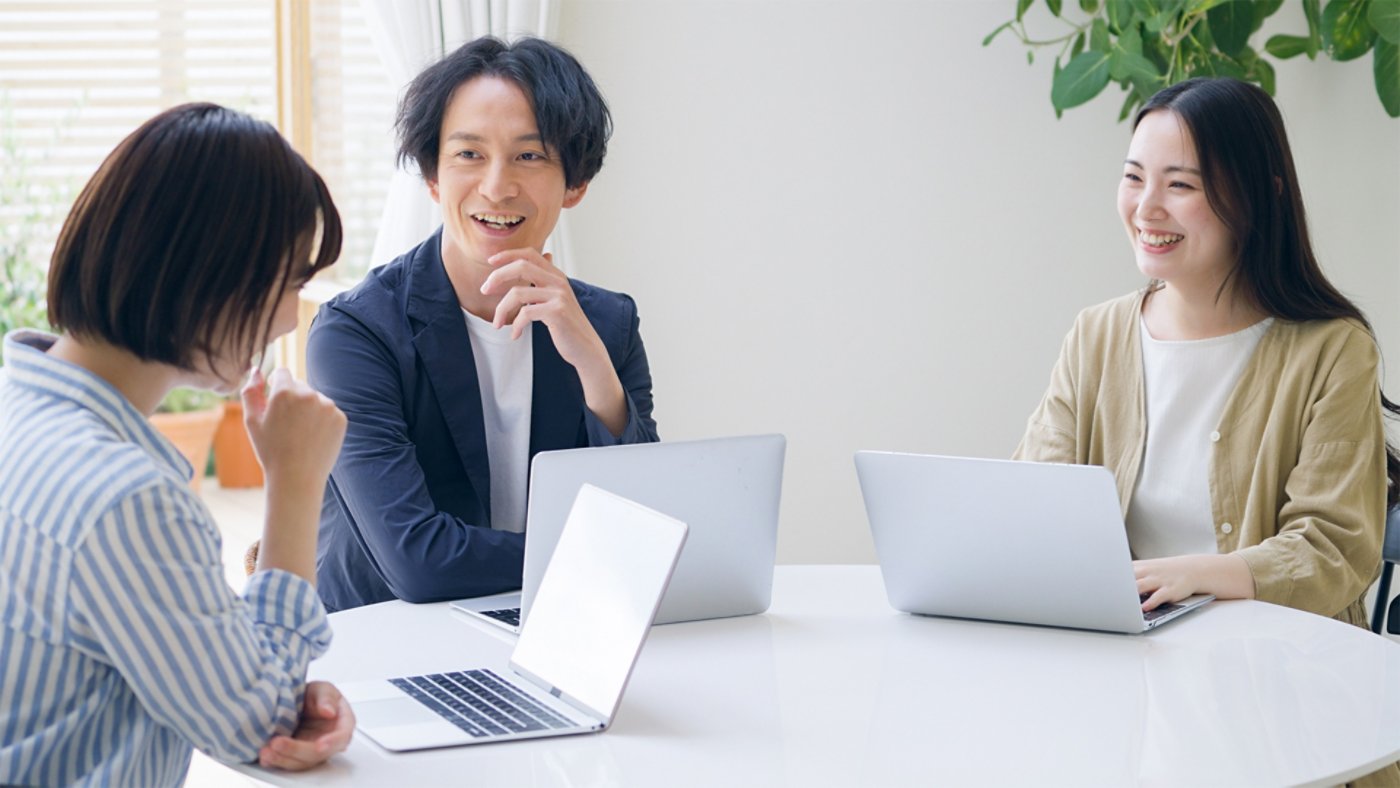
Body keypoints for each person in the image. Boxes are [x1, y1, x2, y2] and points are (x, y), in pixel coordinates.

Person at [0, 103, 354, 785]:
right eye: (290, 284)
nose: (289, 317)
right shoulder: (126, 499)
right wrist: (295, 479)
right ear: (211, 275)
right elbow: (261, 727)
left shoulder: (19, 412)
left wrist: (260, 677)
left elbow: (216, 677)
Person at [1015, 77, 1399, 627]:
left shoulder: (1333, 350)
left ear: (1258, 195)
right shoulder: (1095, 335)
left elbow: (1333, 550)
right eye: (1133, 178)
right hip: (1126, 667)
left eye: (1181, 186)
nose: (1146, 208)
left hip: (1277, 675)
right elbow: (1034, 498)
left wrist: (1198, 576)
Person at [308, 37, 657, 612]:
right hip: (381, 652)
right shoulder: (355, 333)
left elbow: (645, 517)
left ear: (576, 184)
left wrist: (594, 366)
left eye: (530, 155)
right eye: (469, 155)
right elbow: (416, 562)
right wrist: (594, 557)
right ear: (432, 178)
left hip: (549, 635)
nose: (497, 187)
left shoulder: (607, 324)